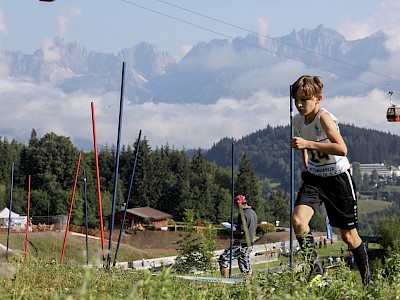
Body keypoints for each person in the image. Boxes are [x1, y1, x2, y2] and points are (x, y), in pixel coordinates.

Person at [290, 75, 371, 285]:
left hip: (338, 180)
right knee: (298, 222)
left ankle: (368, 282)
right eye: (296, 100)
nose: (299, 104)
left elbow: (342, 149)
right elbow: (305, 144)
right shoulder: (297, 120)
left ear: (318, 99)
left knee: (348, 236)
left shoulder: (324, 118)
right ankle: (316, 271)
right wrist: (306, 155)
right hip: (315, 179)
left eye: (304, 100)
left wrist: (308, 143)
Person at [218, 195, 258, 278]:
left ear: (239, 203)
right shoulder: (253, 213)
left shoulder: (243, 214)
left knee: (223, 259)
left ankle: (224, 282)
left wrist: (232, 229)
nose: (236, 207)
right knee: (246, 267)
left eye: (236, 205)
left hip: (241, 243)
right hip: (249, 243)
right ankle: (249, 285)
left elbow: (240, 231)